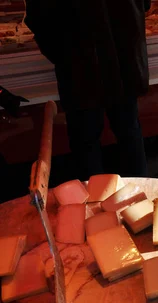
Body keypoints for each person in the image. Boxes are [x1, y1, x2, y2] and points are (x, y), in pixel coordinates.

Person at [25, 0, 151, 180]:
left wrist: (61, 54)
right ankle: (140, 196)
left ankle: (92, 201)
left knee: (86, 139)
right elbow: (144, 4)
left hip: (80, 64)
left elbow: (38, 17)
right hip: (123, 59)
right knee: (128, 129)